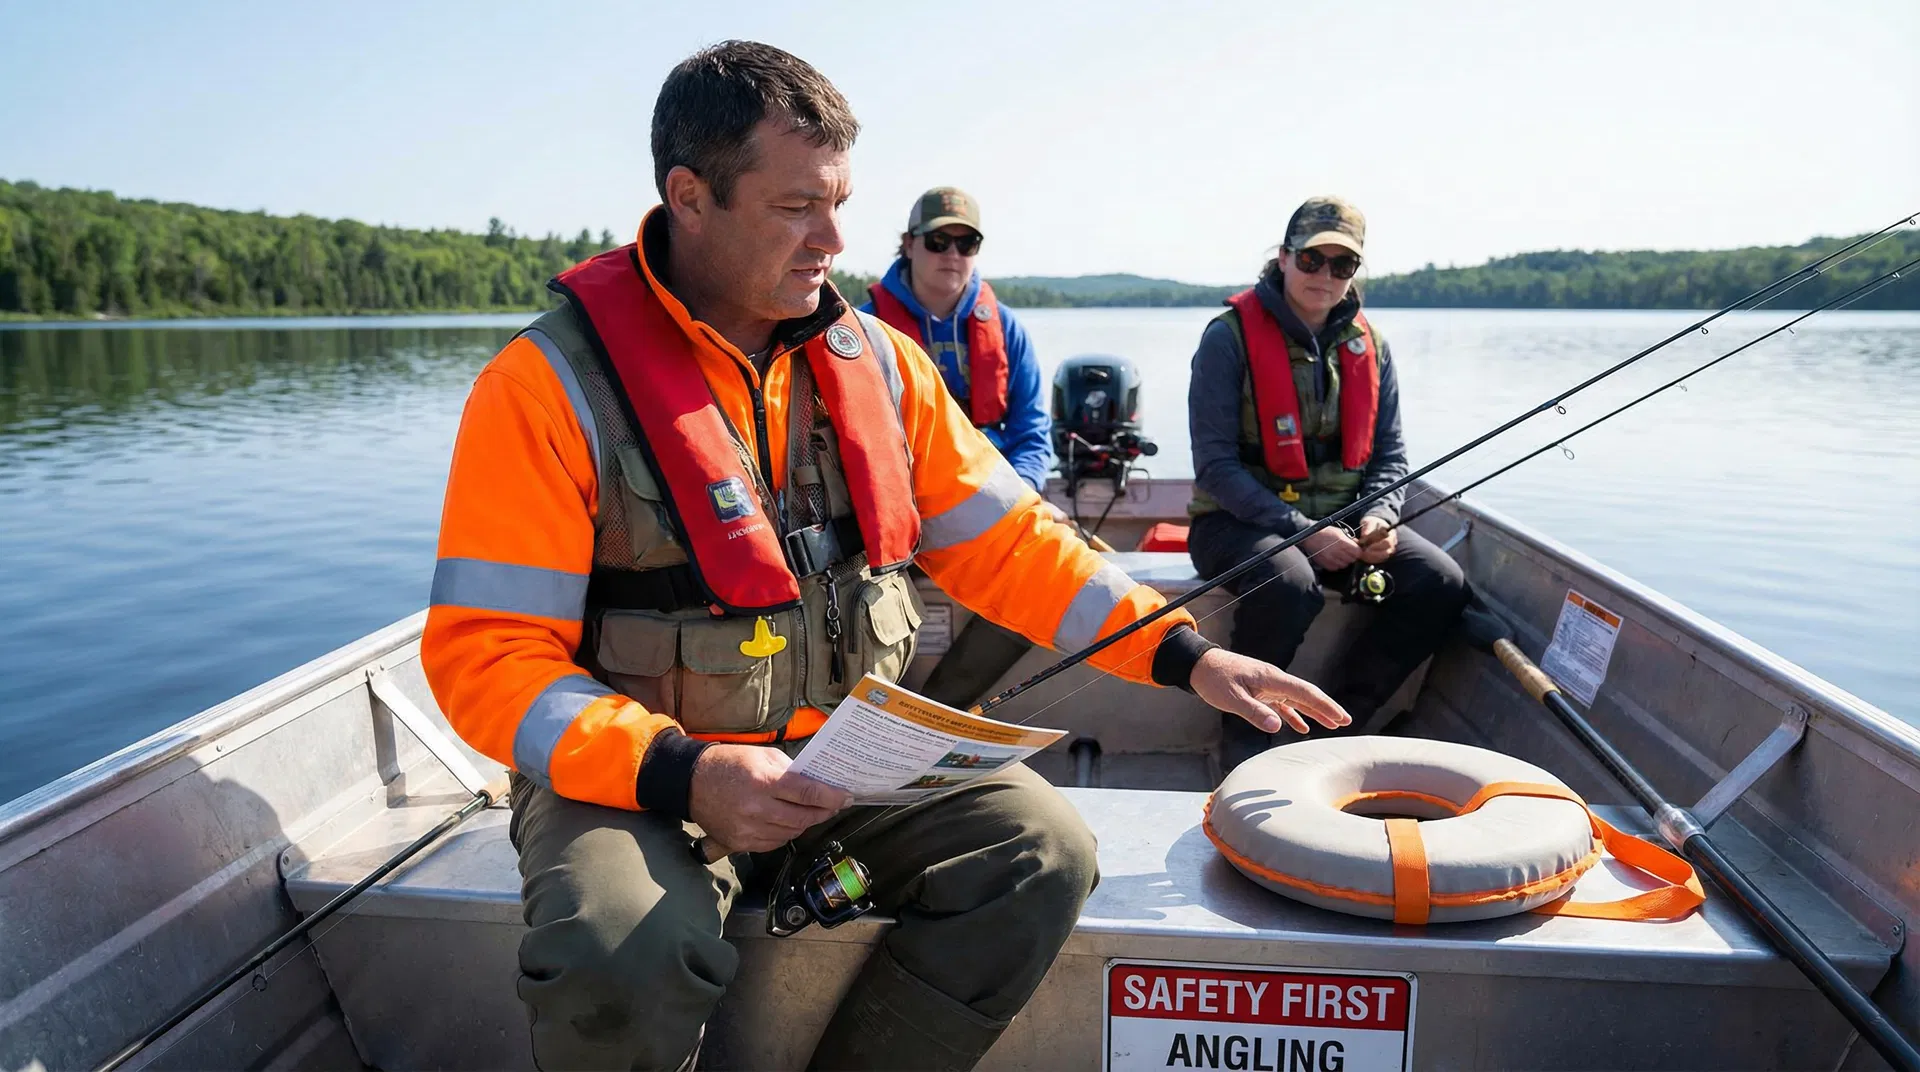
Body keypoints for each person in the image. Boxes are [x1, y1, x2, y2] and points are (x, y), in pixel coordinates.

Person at [423, 42, 1347, 1072]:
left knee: (1042, 852)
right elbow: (486, 655)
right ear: (690, 198)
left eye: (840, 204)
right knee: (614, 954)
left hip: (841, 769)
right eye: (795, 207)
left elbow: (1014, 543)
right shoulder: (542, 388)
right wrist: (684, 770)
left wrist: (1185, 655)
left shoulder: (883, 366)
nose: (832, 239)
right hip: (641, 783)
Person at [1186, 195, 1469, 772]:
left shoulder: (1372, 345)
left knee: (1440, 582)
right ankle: (1244, 742)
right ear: (1284, 257)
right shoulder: (1227, 338)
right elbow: (1215, 465)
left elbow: (1390, 455)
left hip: (1343, 524)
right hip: (1234, 523)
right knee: (1288, 583)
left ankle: (1334, 731)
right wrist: (1303, 531)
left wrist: (1381, 518)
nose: (1325, 275)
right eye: (1313, 259)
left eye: (1343, 264)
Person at [860, 187, 1051, 492]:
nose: (952, 254)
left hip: (992, 489)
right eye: (938, 241)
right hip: (901, 489)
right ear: (909, 244)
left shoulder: (1007, 327)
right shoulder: (865, 329)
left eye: (966, 243)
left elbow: (1030, 431)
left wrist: (1021, 493)